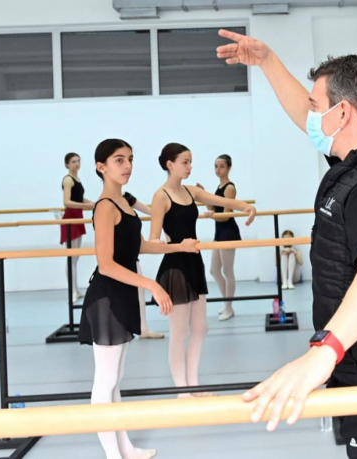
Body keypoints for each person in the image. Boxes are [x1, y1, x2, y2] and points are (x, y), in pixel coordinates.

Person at [218, 29, 357, 457]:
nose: (309, 115)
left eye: (316, 106)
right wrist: (267, 61)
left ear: (343, 113)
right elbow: (304, 117)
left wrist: (324, 352)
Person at [78, 139, 198, 459]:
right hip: (107, 297)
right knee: (105, 380)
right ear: (101, 167)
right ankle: (113, 455)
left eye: (130, 159)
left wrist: (179, 246)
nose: (127, 165)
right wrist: (152, 285)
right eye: (119, 160)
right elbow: (106, 264)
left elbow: (140, 246)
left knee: (115, 379)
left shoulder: (124, 203)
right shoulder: (105, 206)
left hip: (122, 294)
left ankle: (125, 448)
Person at [150, 143, 256, 395]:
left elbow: (221, 200)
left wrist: (247, 207)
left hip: (193, 263)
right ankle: (182, 391)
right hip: (176, 266)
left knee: (200, 329)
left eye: (190, 162)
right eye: (185, 162)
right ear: (170, 164)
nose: (189, 167)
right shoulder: (161, 196)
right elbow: (153, 241)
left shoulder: (190, 191)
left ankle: (194, 385)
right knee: (179, 333)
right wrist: (174, 245)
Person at [199, 154, 241, 321]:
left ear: (229, 168)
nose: (218, 170)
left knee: (227, 271)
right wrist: (204, 195)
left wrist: (212, 215)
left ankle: (229, 307)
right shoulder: (220, 186)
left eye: (222, 166)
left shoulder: (229, 188)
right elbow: (213, 208)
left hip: (228, 232)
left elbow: (226, 215)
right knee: (214, 270)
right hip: (220, 232)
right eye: (216, 166)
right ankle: (227, 304)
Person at [120, 192, 165, 340]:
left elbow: (153, 213)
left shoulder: (126, 198)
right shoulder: (106, 203)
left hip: (130, 255)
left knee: (139, 293)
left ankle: (142, 328)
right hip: (119, 257)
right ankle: (136, 327)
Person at [61, 153, 95, 303]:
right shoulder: (68, 180)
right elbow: (67, 202)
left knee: (75, 257)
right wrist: (87, 206)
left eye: (78, 161)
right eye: (73, 161)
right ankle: (72, 291)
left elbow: (78, 198)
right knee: (71, 257)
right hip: (71, 219)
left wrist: (94, 204)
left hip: (78, 218)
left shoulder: (77, 179)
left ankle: (76, 290)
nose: (77, 163)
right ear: (67, 164)